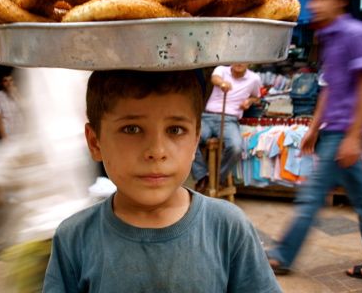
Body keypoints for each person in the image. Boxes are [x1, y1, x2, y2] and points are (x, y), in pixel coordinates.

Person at [42, 70, 281, 293]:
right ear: (95, 143)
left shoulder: (228, 228)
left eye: (175, 130)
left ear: (195, 140)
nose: (157, 151)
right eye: (132, 129)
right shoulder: (74, 238)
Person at [266, 0, 362, 283]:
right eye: (312, 0)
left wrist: (353, 137)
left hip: (344, 132)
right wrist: (313, 127)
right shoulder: (329, 37)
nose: (314, 5)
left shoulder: (358, 33)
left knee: (312, 197)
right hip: (334, 131)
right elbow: (329, 88)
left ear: (339, 1)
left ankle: (283, 256)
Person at [192, 64, 262, 193]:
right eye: (236, 59)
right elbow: (215, 79)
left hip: (229, 120)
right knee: (189, 140)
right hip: (208, 116)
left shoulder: (254, 78)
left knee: (236, 147)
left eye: (243, 60)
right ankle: (202, 176)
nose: (239, 63)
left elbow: (257, 96)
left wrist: (249, 101)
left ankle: (218, 178)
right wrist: (223, 83)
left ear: (249, 62)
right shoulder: (221, 70)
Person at [0, 70, 24, 139]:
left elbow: (26, 109)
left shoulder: (20, 94)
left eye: (11, 80)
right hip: (6, 133)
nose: (9, 83)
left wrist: (16, 94)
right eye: (5, 81)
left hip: (20, 132)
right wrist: (4, 137)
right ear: (1, 83)